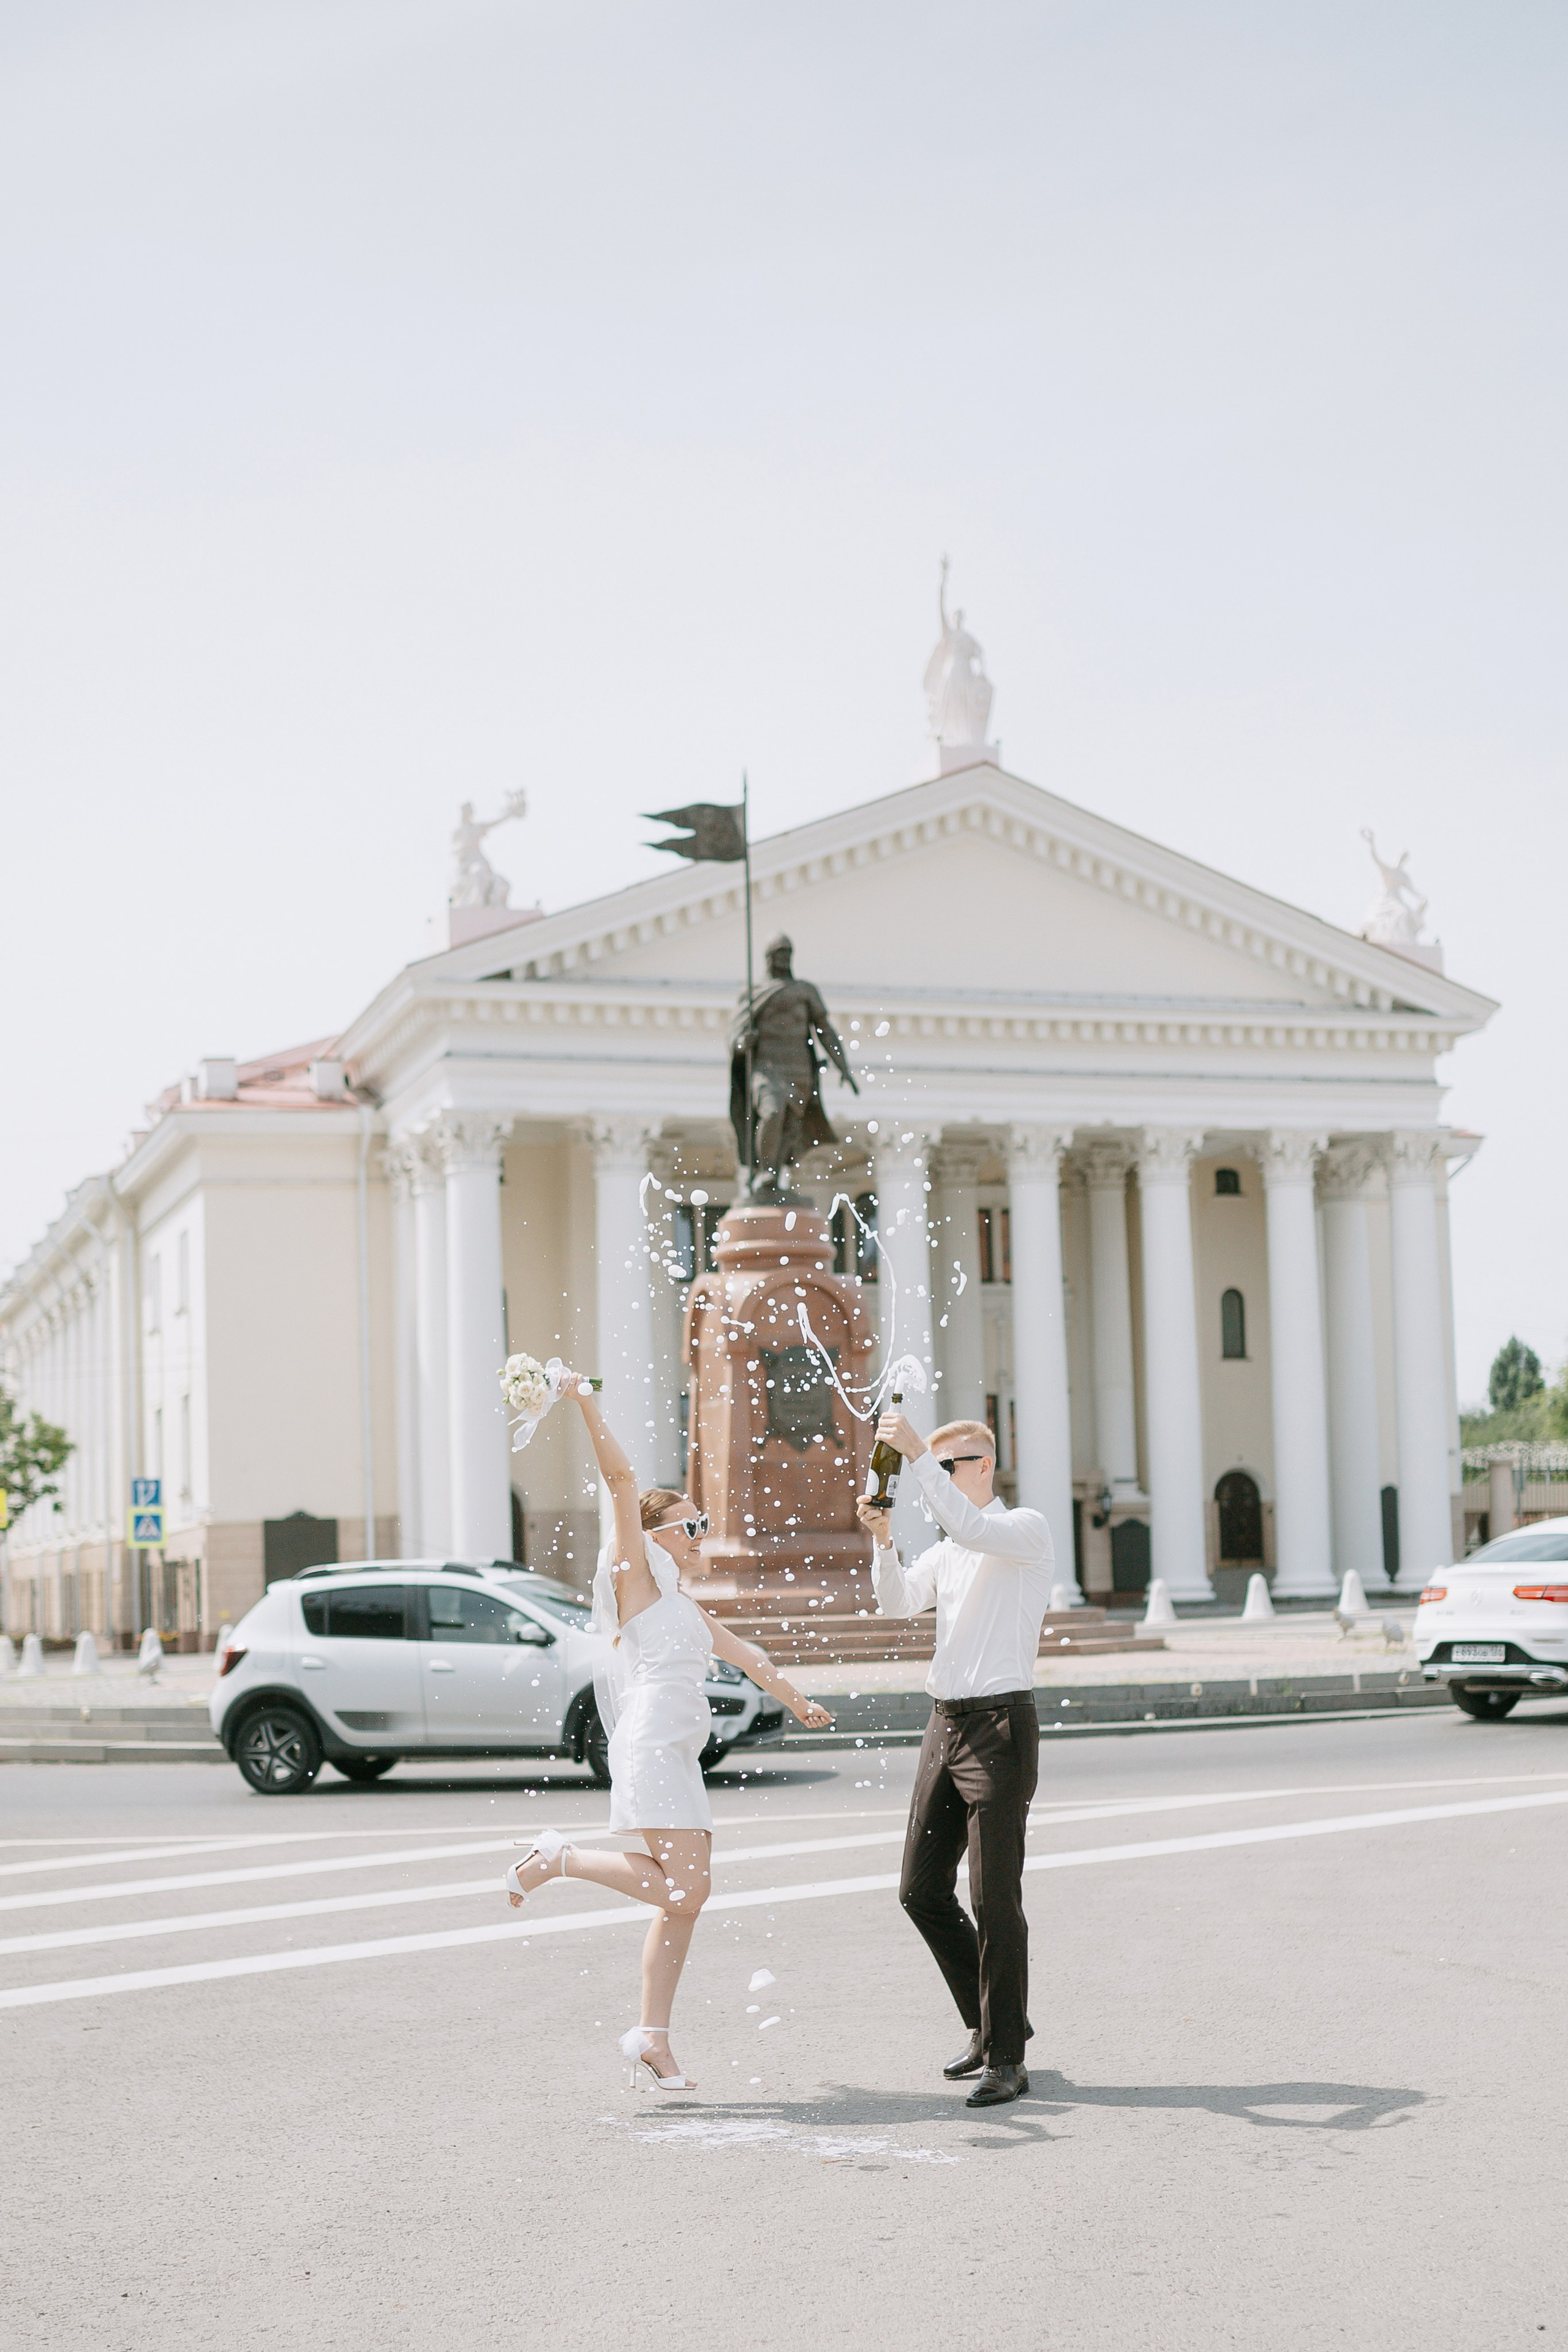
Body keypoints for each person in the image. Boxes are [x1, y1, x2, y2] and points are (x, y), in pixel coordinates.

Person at [503, 1371, 834, 2089]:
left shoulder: (683, 1605)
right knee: (688, 1891)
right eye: (691, 1525)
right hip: (652, 1743)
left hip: (679, 1753)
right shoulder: (636, 1581)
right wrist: (585, 1399)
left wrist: (800, 1701)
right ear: (655, 1536)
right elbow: (620, 1479)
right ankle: (559, 1858)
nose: (700, 1534)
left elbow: (752, 1657)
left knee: (681, 1901)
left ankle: (652, 2035)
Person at [858, 1412, 1052, 2108]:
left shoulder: (1022, 1529)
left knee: (993, 1897)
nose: (935, 1479)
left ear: (983, 1465)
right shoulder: (947, 1552)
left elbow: (972, 1529)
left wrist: (911, 1455)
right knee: (919, 1889)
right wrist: (884, 1544)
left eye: (946, 1467)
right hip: (945, 1724)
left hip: (1001, 1725)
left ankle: (1006, 2055)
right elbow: (895, 1604)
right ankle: (993, 2020)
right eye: (932, 1468)